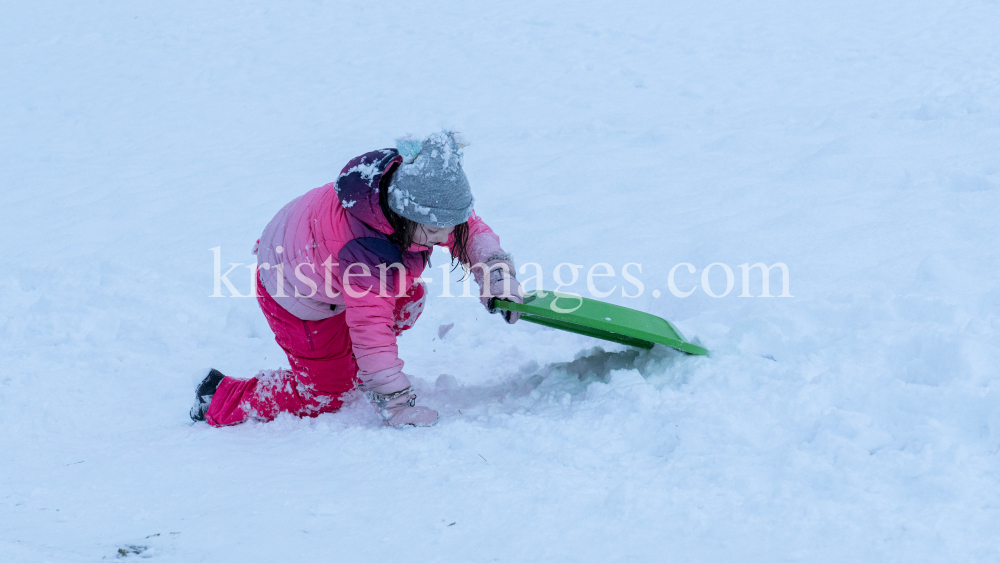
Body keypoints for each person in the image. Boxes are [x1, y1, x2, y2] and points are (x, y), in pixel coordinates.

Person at [190, 132, 522, 428]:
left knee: (407, 299)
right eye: (436, 231)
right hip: (294, 296)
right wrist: (395, 402)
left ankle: (351, 362)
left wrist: (497, 274)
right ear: (404, 215)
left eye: (452, 225)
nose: (445, 237)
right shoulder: (366, 251)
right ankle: (219, 396)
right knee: (327, 394)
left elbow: (469, 231)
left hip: (320, 263)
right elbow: (371, 329)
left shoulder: (412, 193)